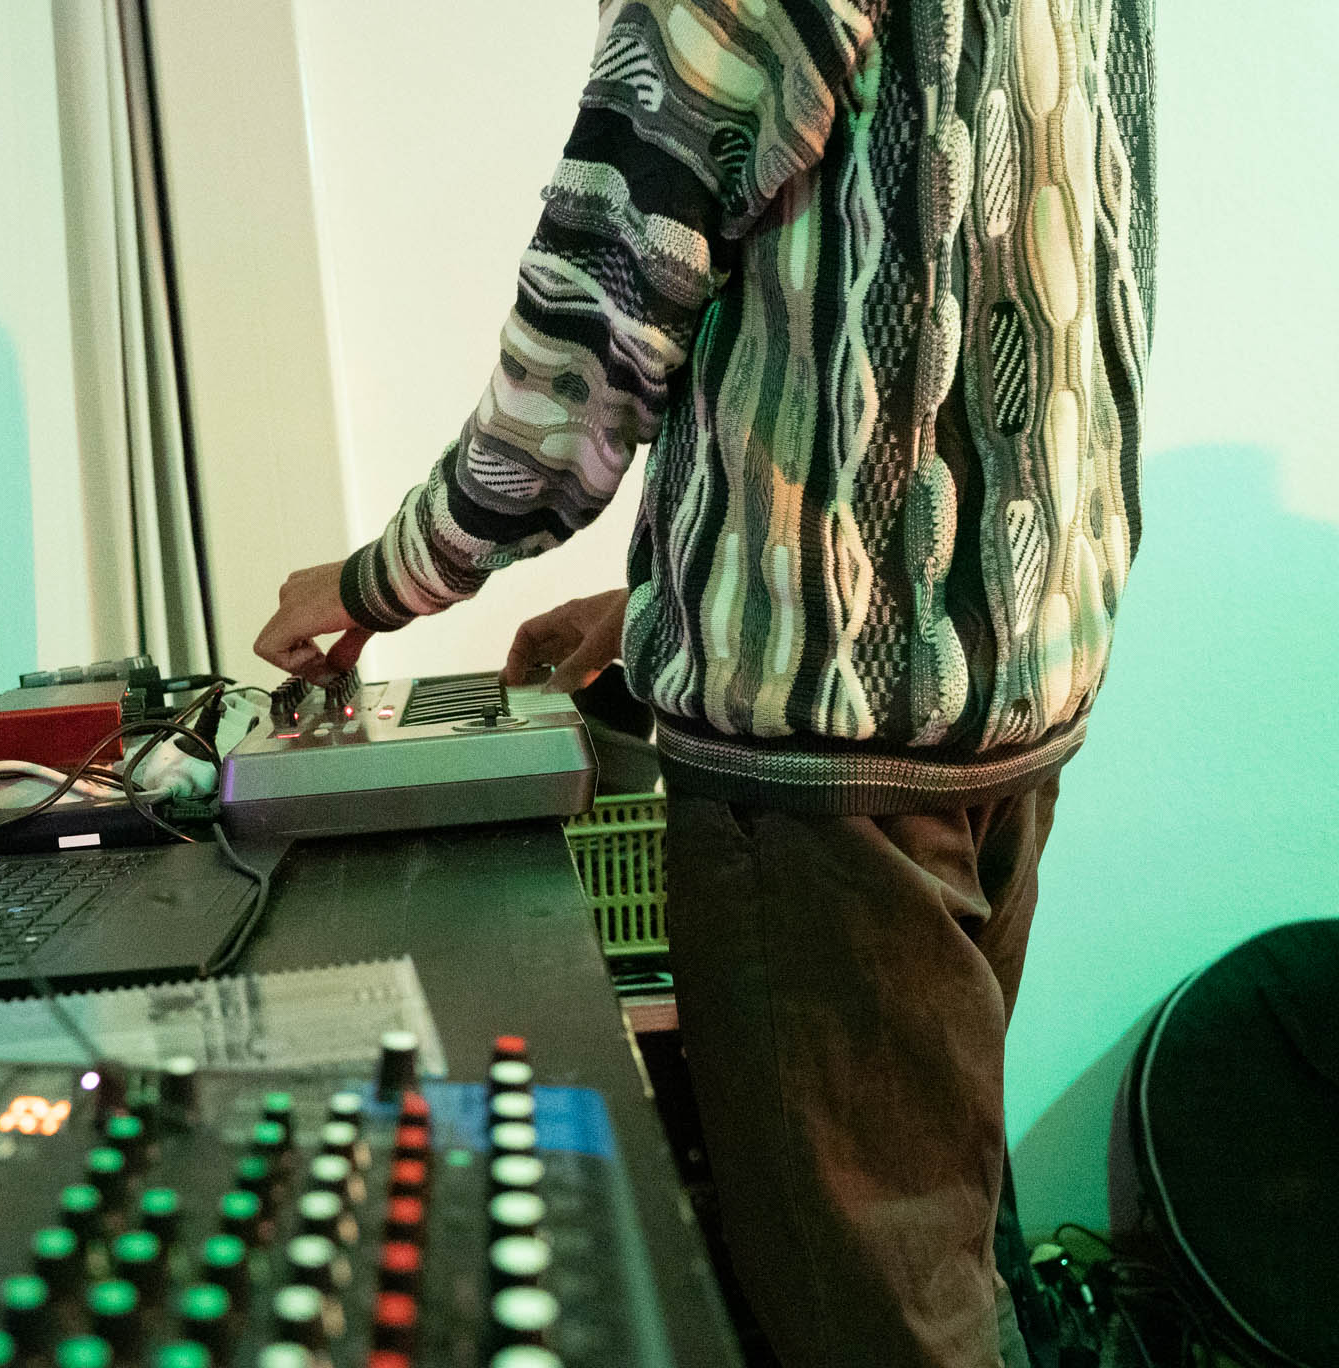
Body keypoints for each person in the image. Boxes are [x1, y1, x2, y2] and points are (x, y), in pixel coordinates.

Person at [256, 2, 1155, 1365]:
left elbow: (598, 318)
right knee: (942, 1274)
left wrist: (378, 580)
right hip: (1008, 709)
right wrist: (687, 585)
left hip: (826, 773)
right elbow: (1025, 297)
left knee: (874, 1326)